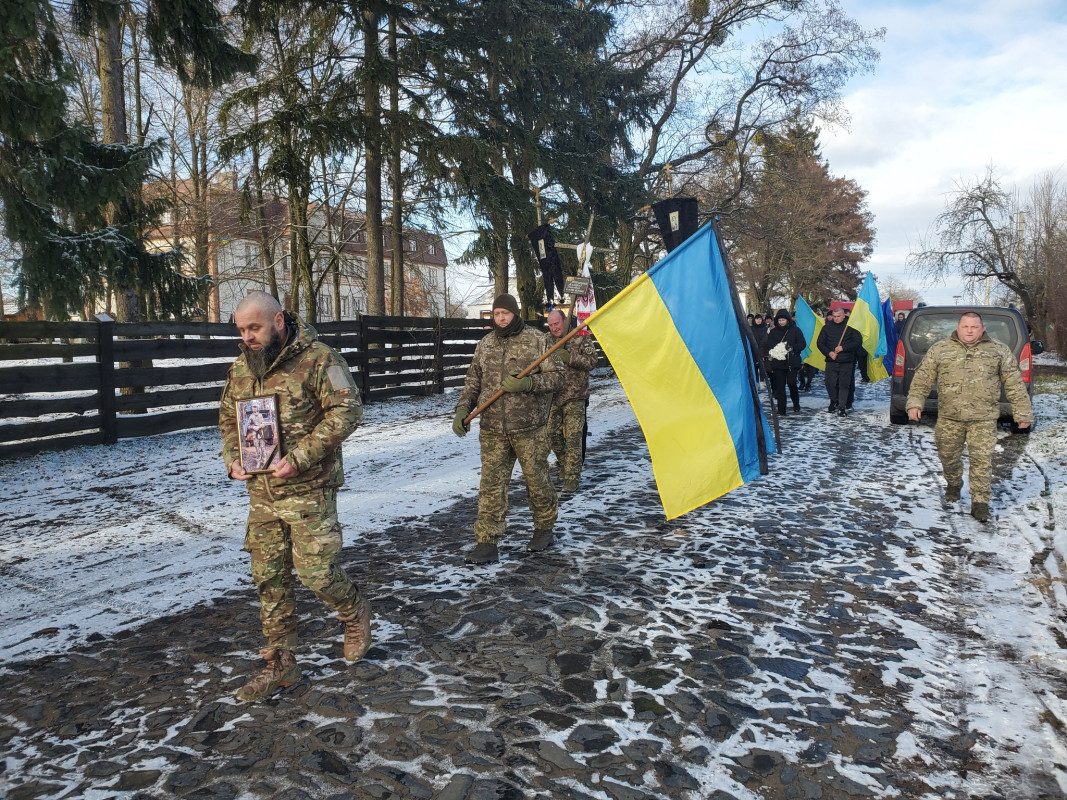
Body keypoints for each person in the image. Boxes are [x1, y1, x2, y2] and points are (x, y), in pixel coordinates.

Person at [219, 291, 371, 702]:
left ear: (280, 321)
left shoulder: (319, 359)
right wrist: (233, 458)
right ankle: (282, 664)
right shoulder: (241, 369)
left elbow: (349, 410)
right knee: (269, 579)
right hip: (262, 493)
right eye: (242, 329)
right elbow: (228, 421)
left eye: (255, 328)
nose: (247, 337)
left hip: (308, 488)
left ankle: (354, 612)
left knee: (317, 575)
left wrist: (302, 456)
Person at [452, 294, 563, 564]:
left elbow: (558, 377)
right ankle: (487, 541)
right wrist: (462, 409)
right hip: (492, 428)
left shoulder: (537, 340)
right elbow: (472, 381)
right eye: (497, 313)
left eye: (506, 313)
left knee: (537, 481)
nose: (501, 318)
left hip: (529, 427)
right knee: (490, 486)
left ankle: (544, 528)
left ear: (516, 313)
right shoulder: (485, 344)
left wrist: (528, 385)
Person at [905, 311, 1033, 522]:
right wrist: (914, 403)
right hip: (949, 417)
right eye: (966, 326)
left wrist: (1022, 413)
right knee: (948, 457)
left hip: (983, 418)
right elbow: (922, 379)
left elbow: (1014, 384)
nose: (970, 331)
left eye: (974, 327)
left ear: (982, 328)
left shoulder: (998, 351)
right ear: (958, 327)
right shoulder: (941, 349)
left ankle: (980, 502)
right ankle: (954, 483)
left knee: (982, 461)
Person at [545, 308, 598, 495]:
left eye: (557, 323)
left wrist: (571, 358)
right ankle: (565, 465)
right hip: (554, 396)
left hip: (576, 396)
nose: (554, 328)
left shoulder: (580, 336)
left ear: (565, 320)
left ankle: (572, 479)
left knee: (574, 438)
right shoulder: (547, 341)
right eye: (551, 325)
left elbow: (592, 361)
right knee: (552, 435)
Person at [817, 307, 862, 416]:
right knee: (830, 383)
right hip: (831, 360)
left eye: (838, 316)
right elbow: (820, 343)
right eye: (834, 317)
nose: (836, 319)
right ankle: (834, 400)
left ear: (843, 316)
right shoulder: (826, 328)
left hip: (846, 361)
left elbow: (857, 342)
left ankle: (842, 406)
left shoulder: (851, 327)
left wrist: (844, 347)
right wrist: (829, 353)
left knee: (844, 384)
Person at [760, 309, 807, 415]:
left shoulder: (795, 330)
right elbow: (770, 344)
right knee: (780, 386)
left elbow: (802, 343)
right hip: (778, 362)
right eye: (780, 320)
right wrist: (778, 348)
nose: (781, 322)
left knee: (791, 383)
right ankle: (781, 409)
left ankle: (796, 403)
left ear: (788, 320)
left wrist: (792, 348)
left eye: (783, 320)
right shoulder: (773, 332)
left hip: (792, 362)